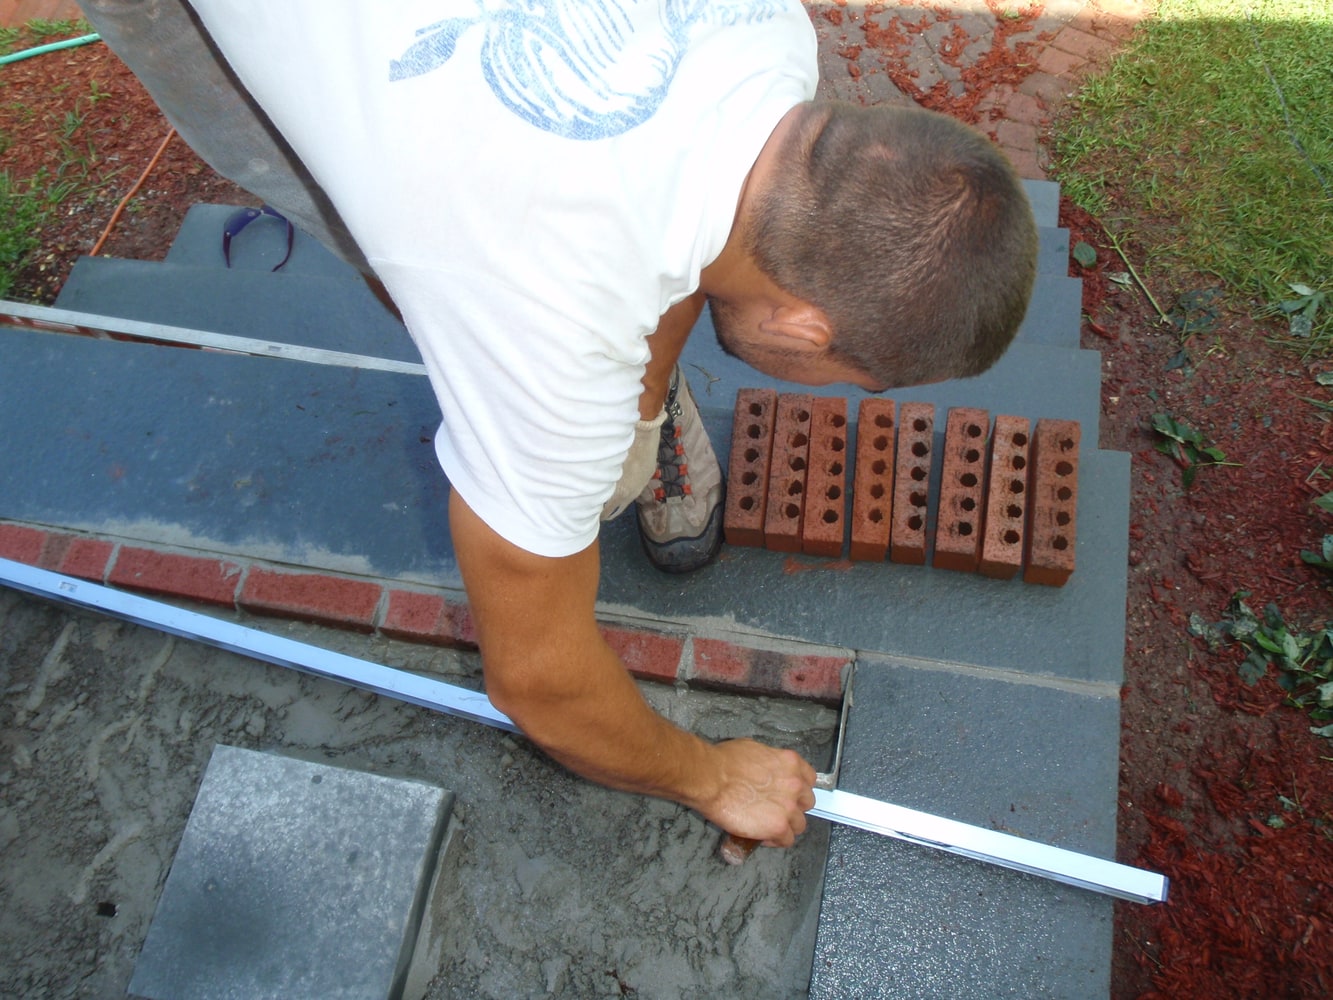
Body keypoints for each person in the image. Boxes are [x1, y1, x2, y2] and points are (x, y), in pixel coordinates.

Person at [78, 0, 1038, 852]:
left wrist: (645, 403)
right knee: (297, 143)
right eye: (853, 381)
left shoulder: (772, 38)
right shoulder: (543, 326)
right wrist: (709, 775)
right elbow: (537, 681)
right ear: (802, 325)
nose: (840, 395)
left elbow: (685, 220)